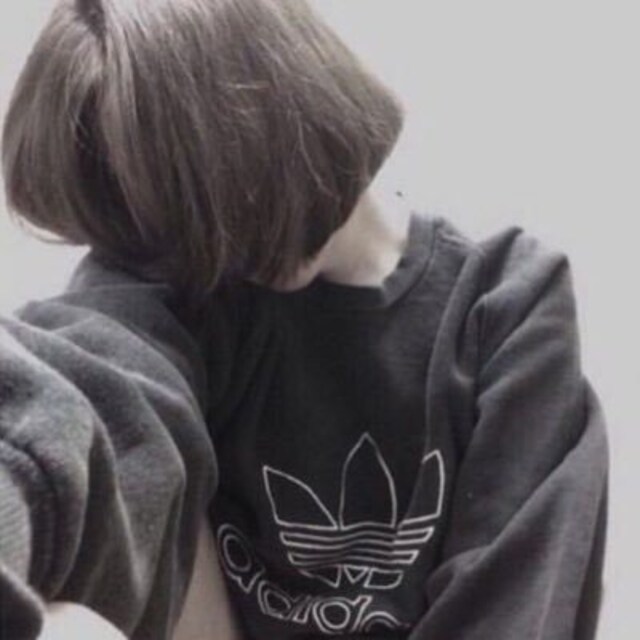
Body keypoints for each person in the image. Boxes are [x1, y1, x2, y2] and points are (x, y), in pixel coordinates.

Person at [0, 0, 609, 639]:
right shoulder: (179, 289)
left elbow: (519, 607)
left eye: (193, 201)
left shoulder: (504, 303)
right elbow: (69, 401)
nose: (199, 244)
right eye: (152, 222)